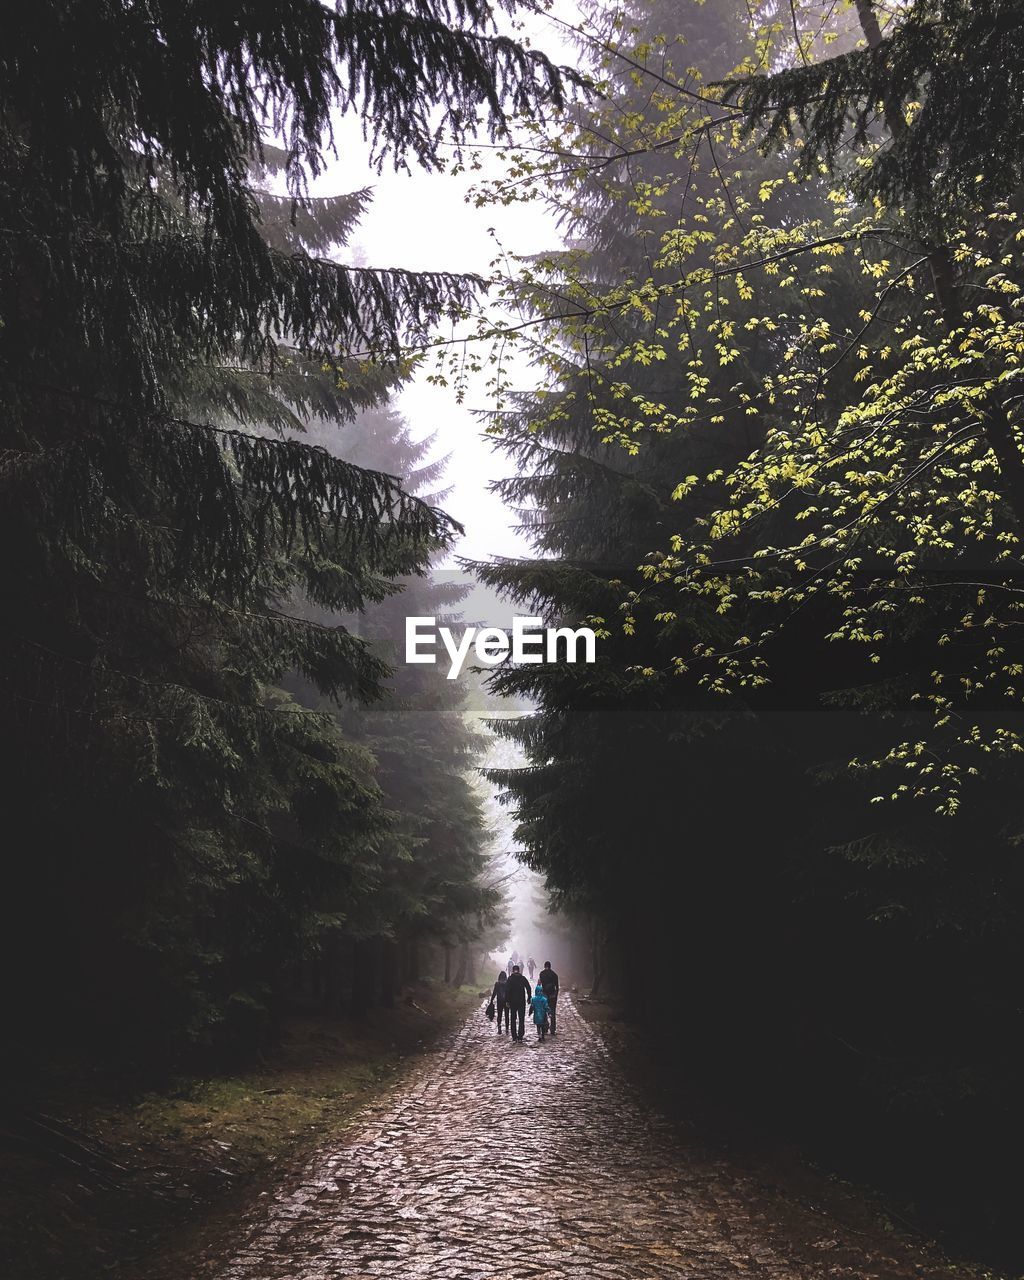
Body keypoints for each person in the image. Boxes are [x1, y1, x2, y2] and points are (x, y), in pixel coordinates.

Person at [504, 964, 532, 1043]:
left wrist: (507, 1001)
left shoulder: (510, 979)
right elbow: (528, 987)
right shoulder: (522, 978)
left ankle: (514, 1036)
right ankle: (520, 1035)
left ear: (513, 970)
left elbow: (507, 990)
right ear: (519, 970)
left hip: (513, 1002)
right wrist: (529, 997)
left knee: (513, 1018)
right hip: (521, 1001)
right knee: (521, 1019)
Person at [538, 961, 559, 1034]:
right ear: (550, 966)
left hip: (544, 995)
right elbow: (557, 987)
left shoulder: (541, 974)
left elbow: (539, 985)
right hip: (552, 995)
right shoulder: (554, 974)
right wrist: (556, 995)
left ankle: (545, 1026)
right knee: (552, 1011)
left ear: (544, 966)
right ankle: (552, 1028)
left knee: (544, 1011)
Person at [489, 970, 510, 1035]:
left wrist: (492, 1000)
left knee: (499, 1014)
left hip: (499, 1001)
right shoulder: (507, 983)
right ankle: (507, 1028)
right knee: (507, 1015)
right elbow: (509, 992)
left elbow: (494, 992)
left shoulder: (497, 983)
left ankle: (499, 1027)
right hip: (506, 1001)